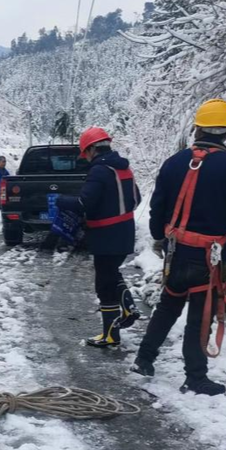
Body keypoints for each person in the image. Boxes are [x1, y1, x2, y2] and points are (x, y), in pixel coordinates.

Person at [133, 99, 226, 396]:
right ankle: (195, 376)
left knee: (168, 305)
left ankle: (144, 358)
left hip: (176, 250)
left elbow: (158, 205)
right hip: (208, 257)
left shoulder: (174, 162)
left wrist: (159, 237)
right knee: (200, 314)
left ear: (198, 128)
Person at [57, 127, 141, 348]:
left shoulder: (100, 171)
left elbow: (84, 204)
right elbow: (136, 199)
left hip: (106, 236)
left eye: (86, 152)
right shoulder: (124, 169)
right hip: (125, 233)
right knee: (111, 274)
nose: (85, 157)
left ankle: (110, 335)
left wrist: (59, 200)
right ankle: (128, 307)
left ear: (93, 148)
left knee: (104, 284)